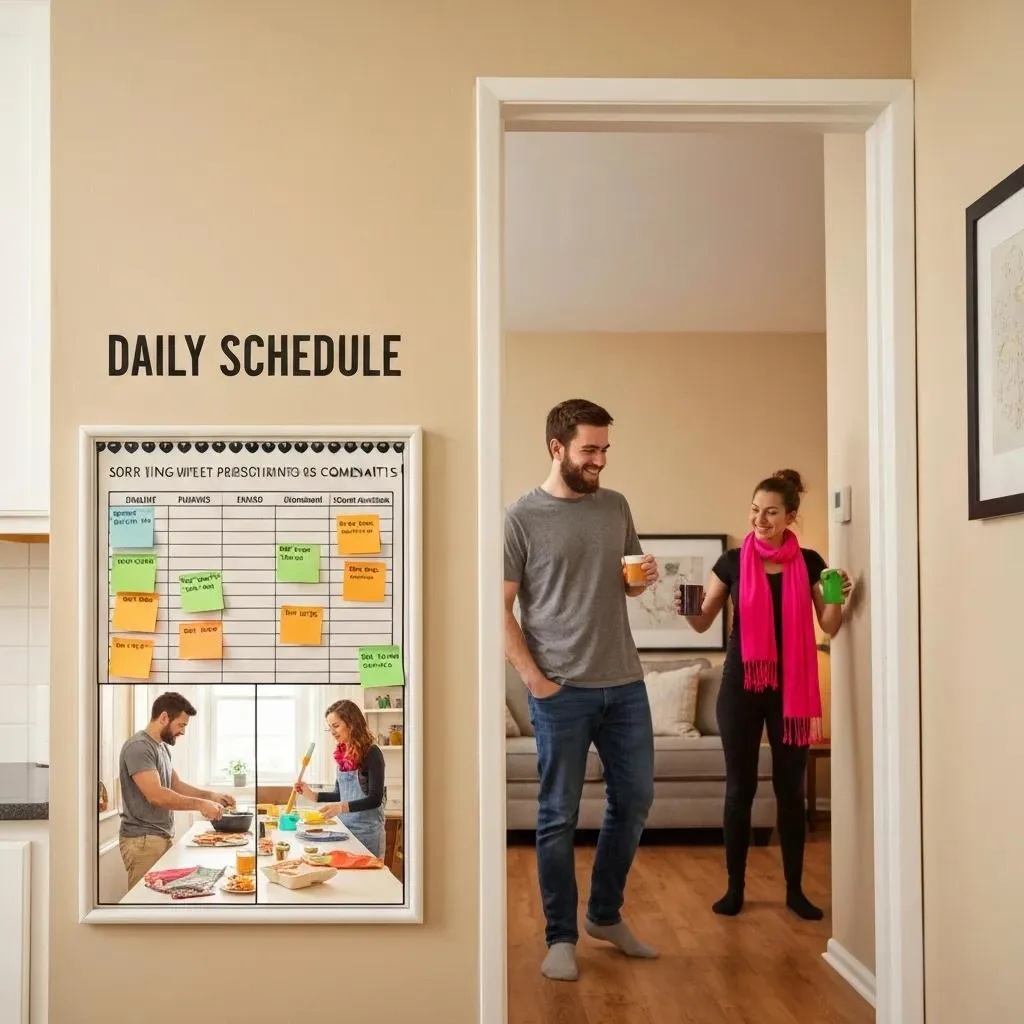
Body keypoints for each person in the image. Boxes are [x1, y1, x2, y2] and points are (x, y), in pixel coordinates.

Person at [504, 398, 660, 983]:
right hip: (559, 691)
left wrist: (641, 579)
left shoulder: (615, 506)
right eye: (589, 450)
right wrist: (534, 681)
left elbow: (627, 585)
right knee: (556, 817)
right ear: (556, 448)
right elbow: (500, 610)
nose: (599, 460)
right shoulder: (520, 517)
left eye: (604, 450)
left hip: (625, 684)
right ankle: (560, 936)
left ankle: (604, 915)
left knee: (637, 800)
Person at [676, 469, 851, 920]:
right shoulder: (733, 562)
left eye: (771, 512)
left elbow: (828, 624)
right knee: (740, 789)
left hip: (790, 690)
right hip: (741, 687)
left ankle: (795, 890)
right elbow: (701, 621)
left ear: (790, 516)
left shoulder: (809, 562)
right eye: (755, 510)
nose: (760, 519)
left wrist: (841, 597)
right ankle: (734, 888)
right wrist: (686, 608)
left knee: (790, 789)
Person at [118, 691, 235, 888]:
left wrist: (210, 796)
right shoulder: (139, 747)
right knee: (145, 907)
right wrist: (200, 804)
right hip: (143, 840)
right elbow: (156, 796)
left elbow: (176, 785)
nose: (182, 731)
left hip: (159, 836)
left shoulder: (160, 748)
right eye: (181, 725)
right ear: (164, 717)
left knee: (160, 903)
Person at [294, 699, 386, 858]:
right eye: (329, 728)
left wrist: (341, 808)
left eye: (336, 726)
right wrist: (312, 795)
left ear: (351, 724)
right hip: (344, 832)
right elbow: (340, 795)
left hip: (367, 834)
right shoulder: (342, 755)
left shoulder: (372, 753)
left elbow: (375, 799)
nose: (333, 732)